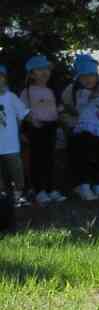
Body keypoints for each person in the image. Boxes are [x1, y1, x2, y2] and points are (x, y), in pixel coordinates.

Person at [61, 55, 99, 201]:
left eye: (92, 75)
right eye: (84, 76)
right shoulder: (78, 92)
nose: (88, 79)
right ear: (78, 78)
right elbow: (77, 106)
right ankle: (83, 185)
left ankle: (98, 184)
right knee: (83, 158)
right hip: (83, 131)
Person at [22, 55, 62, 205]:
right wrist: (29, 123)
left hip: (51, 127)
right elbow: (22, 111)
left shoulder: (51, 90)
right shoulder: (27, 92)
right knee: (37, 160)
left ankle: (51, 188)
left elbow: (57, 109)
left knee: (50, 159)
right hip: (36, 129)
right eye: (39, 70)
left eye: (46, 69)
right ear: (31, 74)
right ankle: (39, 190)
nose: (44, 72)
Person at [0, 65, 27, 210]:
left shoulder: (10, 97)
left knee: (16, 168)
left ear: (4, 79)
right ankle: (3, 197)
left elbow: (21, 114)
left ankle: (19, 195)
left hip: (10, 143)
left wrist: (18, 130)